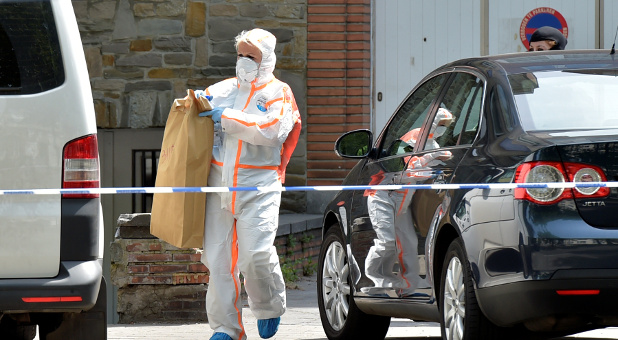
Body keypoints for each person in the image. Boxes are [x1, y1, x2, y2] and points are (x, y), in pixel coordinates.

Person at [195, 28, 302, 340]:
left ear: (266, 59)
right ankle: (226, 328)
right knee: (217, 259)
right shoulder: (223, 89)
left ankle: (268, 307)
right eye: (240, 54)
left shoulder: (277, 92)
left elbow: (271, 131)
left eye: (250, 56)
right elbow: (198, 109)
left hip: (259, 185)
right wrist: (195, 103)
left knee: (254, 254)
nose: (243, 61)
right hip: (218, 184)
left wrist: (225, 118)